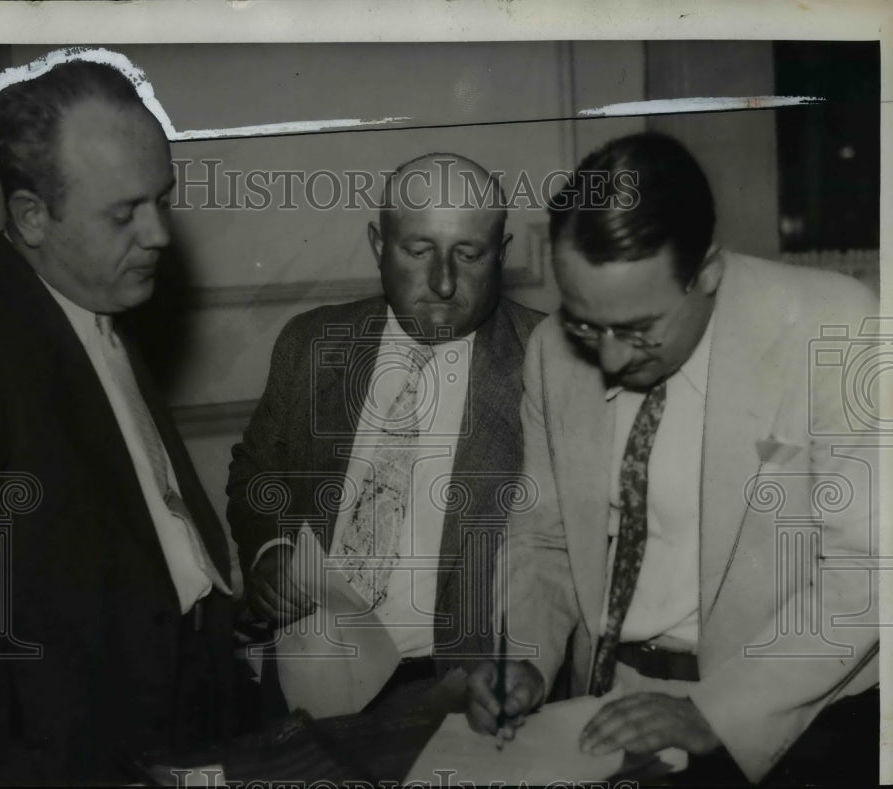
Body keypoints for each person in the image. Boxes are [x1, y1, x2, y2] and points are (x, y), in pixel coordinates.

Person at [466, 132, 879, 784]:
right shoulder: (550, 349)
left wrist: (716, 711)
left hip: (786, 715)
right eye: (584, 322)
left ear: (707, 271)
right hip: (605, 702)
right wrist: (523, 656)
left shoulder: (837, 325)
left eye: (637, 330)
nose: (606, 359)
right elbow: (542, 537)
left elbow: (866, 570)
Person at [0, 57, 236, 784]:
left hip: (182, 726)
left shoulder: (94, 293)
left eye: (162, 198)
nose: (160, 233)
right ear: (32, 216)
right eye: (124, 211)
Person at [227, 153, 543, 712]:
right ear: (378, 244)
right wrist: (269, 552)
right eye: (418, 252)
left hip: (461, 691)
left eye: (469, 255)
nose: (443, 283)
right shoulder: (311, 342)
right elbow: (257, 471)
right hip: (310, 671)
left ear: (502, 253)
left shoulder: (545, 362)